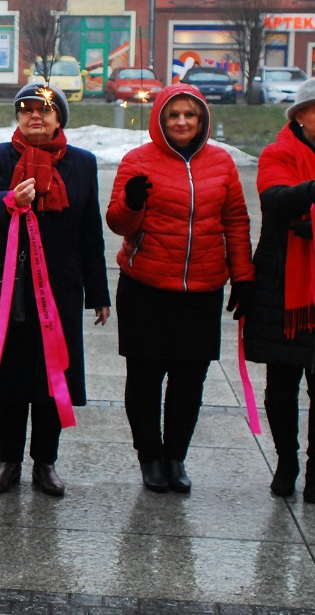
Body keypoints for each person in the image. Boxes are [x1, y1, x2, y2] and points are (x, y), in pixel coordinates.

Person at [0, 83, 111, 498]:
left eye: (45, 111)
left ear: (60, 118)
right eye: (26, 109)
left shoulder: (82, 163)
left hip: (59, 289)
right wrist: (11, 198)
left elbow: (89, 231)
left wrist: (98, 292)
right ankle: (9, 461)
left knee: (52, 378)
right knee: (10, 377)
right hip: (10, 283)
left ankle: (45, 463)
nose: (35, 117)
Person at [106, 84, 253, 494]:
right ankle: (150, 457)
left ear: (202, 119)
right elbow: (117, 223)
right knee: (145, 378)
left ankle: (176, 457)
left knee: (190, 380)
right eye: (174, 115)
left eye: (191, 114)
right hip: (146, 286)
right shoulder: (137, 160)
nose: (183, 121)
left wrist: (243, 276)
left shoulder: (221, 163)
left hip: (202, 289)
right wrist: (132, 204)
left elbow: (236, 223)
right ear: (160, 119)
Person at [244, 78, 315, 501]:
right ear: (301, 115)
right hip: (282, 285)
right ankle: (286, 460)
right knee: (282, 383)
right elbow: (276, 199)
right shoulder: (278, 154)